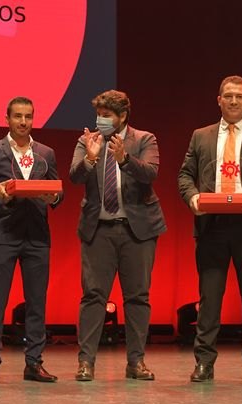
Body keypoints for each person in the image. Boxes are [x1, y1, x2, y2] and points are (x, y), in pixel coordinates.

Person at [177, 75, 242, 383]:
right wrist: (193, 197)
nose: (233, 101)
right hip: (212, 225)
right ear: (219, 100)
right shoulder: (201, 135)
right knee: (209, 298)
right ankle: (204, 363)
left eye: (239, 96)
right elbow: (185, 174)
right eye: (228, 96)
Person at [70, 90, 167, 381]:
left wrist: (124, 160)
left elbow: (151, 173)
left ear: (123, 116)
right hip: (98, 229)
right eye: (98, 115)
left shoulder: (144, 139)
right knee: (93, 296)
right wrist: (89, 158)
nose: (100, 121)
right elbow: (74, 176)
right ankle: (86, 362)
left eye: (106, 116)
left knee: (137, 297)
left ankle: (135, 362)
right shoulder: (87, 141)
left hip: (137, 230)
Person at [0, 96, 63, 384]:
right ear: (7, 119)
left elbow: (58, 191)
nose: (23, 122)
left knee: (37, 302)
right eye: (18, 116)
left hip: (37, 235)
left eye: (28, 116)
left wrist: (54, 196)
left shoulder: (46, 153)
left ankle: (34, 363)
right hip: (4, 234)